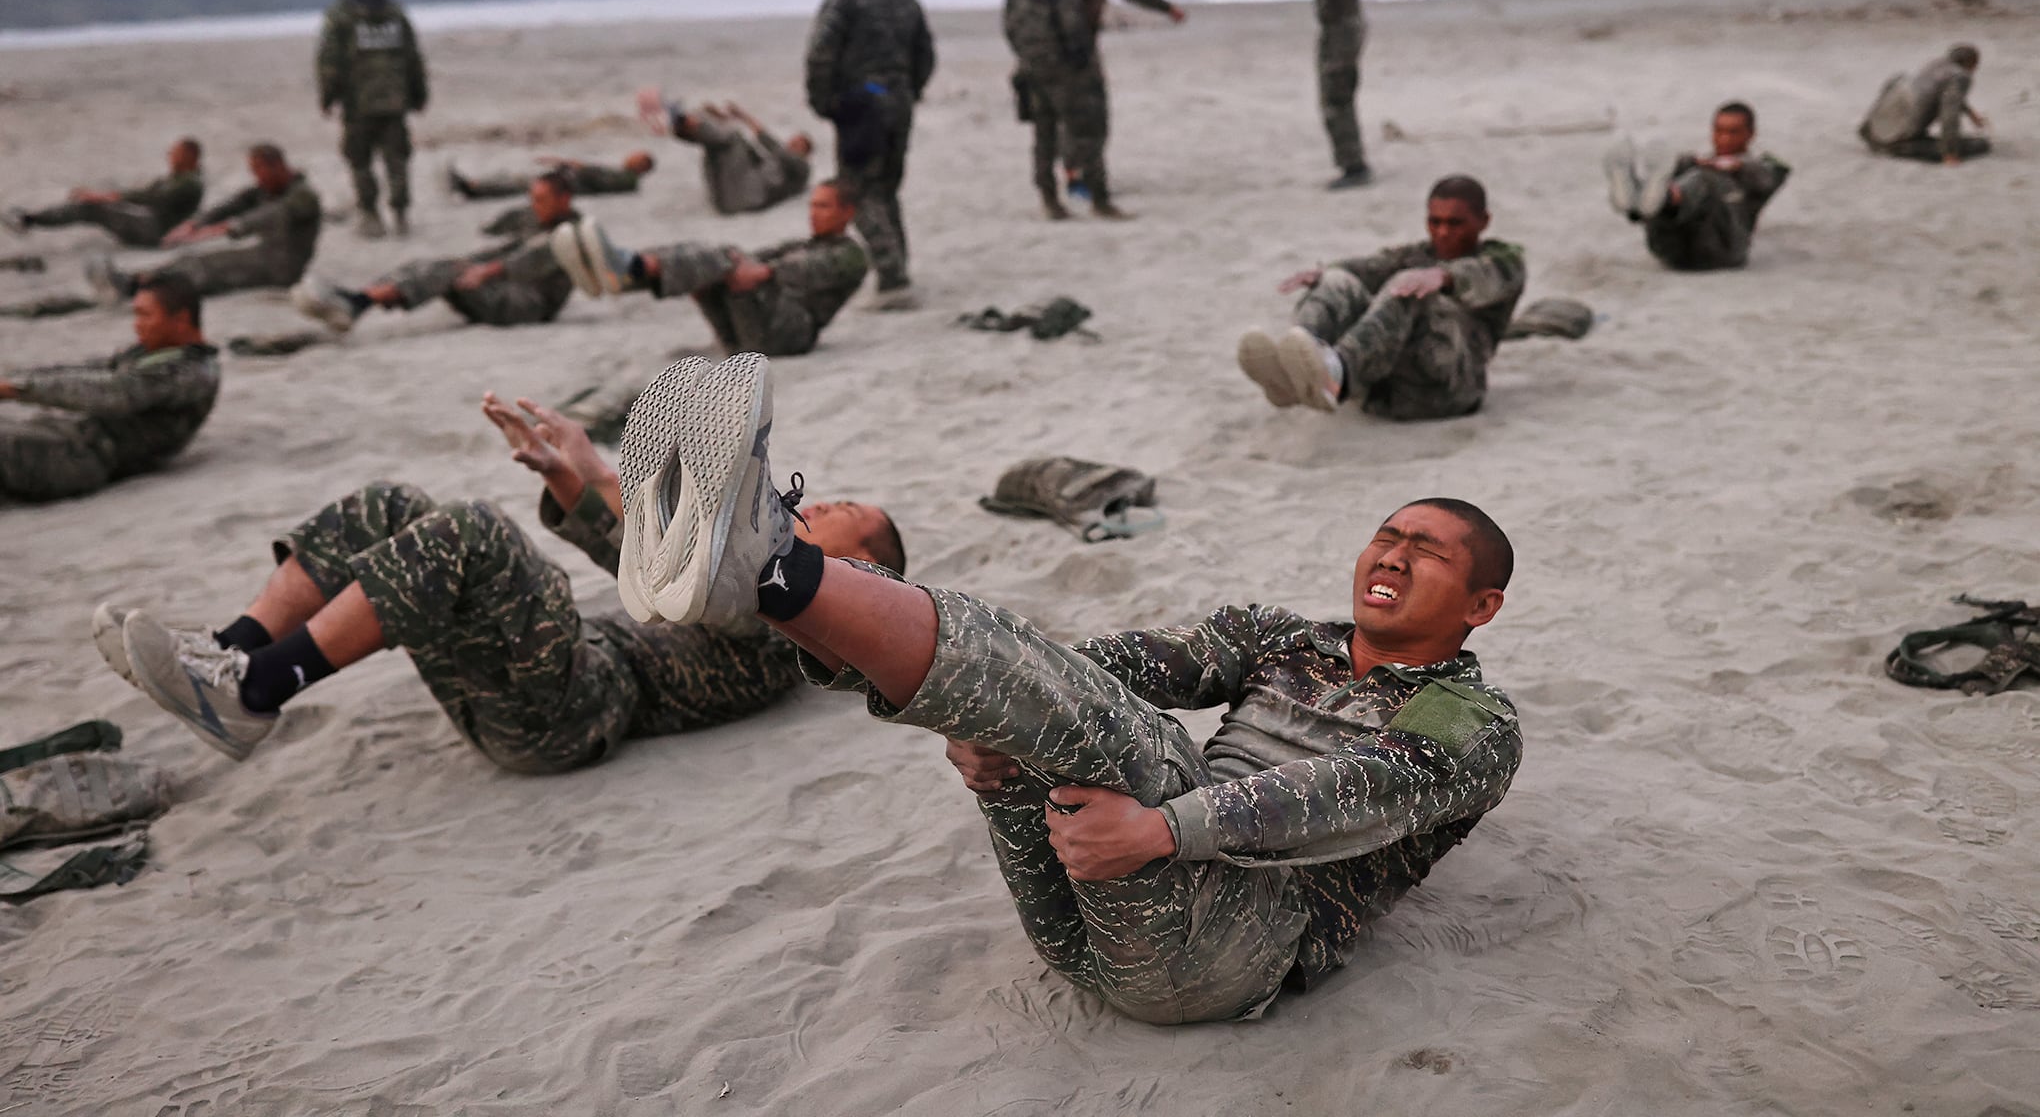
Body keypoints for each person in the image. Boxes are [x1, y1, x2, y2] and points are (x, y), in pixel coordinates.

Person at [601, 352, 1519, 1024]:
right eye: (1386, 537)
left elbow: (1358, 794)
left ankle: (775, 566)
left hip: (1230, 944)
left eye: (1425, 552)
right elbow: (1102, 667)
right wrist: (987, 718)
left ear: (1482, 604)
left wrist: (1166, 827)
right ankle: (760, 582)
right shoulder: (1278, 635)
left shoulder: (1472, 717)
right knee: (1047, 700)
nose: (1392, 555)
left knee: (1130, 741)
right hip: (1083, 905)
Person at [104, 394, 907, 771]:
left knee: (474, 532)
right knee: (395, 506)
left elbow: (689, 580)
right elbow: (648, 563)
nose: (825, 499)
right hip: (544, 684)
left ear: (863, 565)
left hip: (573, 711)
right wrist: (575, 475)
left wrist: (595, 473)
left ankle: (255, 692)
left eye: (844, 510)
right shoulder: (763, 579)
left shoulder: (799, 630)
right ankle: (226, 655)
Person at [1237, 175, 1524, 419]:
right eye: (1434, 222)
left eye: (1455, 223)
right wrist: (1323, 273)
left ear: (1483, 222)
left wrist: (1443, 277)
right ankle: (1297, 375)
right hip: (1383, 393)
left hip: (1447, 391)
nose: (1443, 232)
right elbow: (1370, 267)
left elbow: (1485, 276)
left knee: (1407, 285)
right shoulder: (1418, 255)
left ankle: (1337, 374)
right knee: (1336, 281)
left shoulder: (1503, 261)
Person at [553, 179, 869, 357]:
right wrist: (728, 263)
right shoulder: (804, 242)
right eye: (812, 205)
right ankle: (620, 271)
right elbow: (753, 257)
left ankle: (625, 271)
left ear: (847, 212)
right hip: (747, 333)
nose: (814, 213)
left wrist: (756, 270)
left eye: (823, 206)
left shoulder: (851, 254)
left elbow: (799, 269)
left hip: (786, 337)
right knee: (709, 256)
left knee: (719, 260)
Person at [804, 0, 936, 309]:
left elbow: (820, 52)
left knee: (858, 190)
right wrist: (910, 91)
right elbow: (925, 54)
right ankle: (898, 266)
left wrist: (822, 101)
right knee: (887, 189)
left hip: (861, 104)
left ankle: (893, 277)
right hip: (899, 103)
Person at [0, 273, 218, 503]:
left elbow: (115, 392)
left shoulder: (193, 373)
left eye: (145, 315)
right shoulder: (153, 353)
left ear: (181, 319)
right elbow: (87, 373)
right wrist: (14, 380)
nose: (137, 325)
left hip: (82, 457)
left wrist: (17, 389)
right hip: (66, 437)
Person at [290, 171, 580, 332]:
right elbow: (506, 249)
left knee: (449, 272)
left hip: (526, 308)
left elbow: (528, 259)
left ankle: (358, 303)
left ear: (564, 199)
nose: (535, 206)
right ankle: (361, 298)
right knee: (431, 265)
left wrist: (482, 272)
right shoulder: (540, 221)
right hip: (508, 293)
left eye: (541, 200)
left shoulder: (573, 233)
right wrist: (471, 263)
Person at [85, 143, 322, 303]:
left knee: (204, 270)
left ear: (278, 166)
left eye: (259, 171)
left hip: (282, 270)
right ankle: (135, 281)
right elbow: (233, 204)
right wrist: (195, 223)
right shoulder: (268, 188)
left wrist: (231, 227)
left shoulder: (303, 195)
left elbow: (270, 215)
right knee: (193, 262)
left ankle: (135, 289)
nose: (257, 178)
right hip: (264, 257)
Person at [1067, 0, 1185, 217]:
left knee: (1097, 115)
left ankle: (1090, 175)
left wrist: (1167, 7)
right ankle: (1073, 176)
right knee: (1073, 116)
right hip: (1067, 53)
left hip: (1089, 51)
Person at [1004, 0, 1112, 221]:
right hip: (1064, 65)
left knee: (1043, 133)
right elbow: (1071, 20)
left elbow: (1009, 24)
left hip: (1031, 64)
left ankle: (1049, 199)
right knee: (1087, 129)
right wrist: (1081, 58)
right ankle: (1099, 199)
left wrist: (1026, 54)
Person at [1603, 102, 1792, 271]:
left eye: (1733, 132)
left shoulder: (1761, 168)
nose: (1724, 139)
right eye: (1719, 131)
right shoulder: (1698, 164)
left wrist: (1736, 167)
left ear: (1751, 134)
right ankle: (1642, 199)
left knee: (1703, 179)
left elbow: (1769, 177)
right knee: (1678, 169)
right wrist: (1692, 161)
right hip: (1672, 251)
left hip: (1722, 251)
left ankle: (1663, 199)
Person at [318, 0, 428, 238]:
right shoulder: (393, 11)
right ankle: (401, 214)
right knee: (397, 158)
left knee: (359, 159)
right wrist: (419, 93)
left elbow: (330, 60)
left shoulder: (341, 14)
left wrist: (328, 96)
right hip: (394, 100)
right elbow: (412, 56)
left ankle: (370, 215)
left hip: (359, 103)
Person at [1287, 0, 1371, 190]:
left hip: (1342, 28)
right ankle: (1350, 162)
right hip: (1335, 27)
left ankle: (1354, 165)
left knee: (1337, 96)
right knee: (1333, 96)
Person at [4, 138, 205, 248]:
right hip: (151, 225)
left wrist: (101, 197)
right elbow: (143, 193)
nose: (169, 156)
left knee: (92, 208)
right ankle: (31, 219)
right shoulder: (177, 178)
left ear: (189, 156)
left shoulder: (190, 183)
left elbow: (149, 198)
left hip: (156, 232)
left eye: (175, 153)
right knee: (94, 206)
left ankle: (29, 220)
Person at [637, 91, 814, 216]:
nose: (791, 143)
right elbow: (749, 152)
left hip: (746, 200)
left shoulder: (802, 168)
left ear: (807, 153)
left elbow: (769, 142)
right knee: (720, 144)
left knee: (731, 139)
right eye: (792, 140)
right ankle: (677, 124)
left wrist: (743, 116)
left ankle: (680, 119)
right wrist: (719, 120)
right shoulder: (776, 166)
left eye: (798, 144)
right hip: (732, 198)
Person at [1859, 44, 1991, 164]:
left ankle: (1873, 134)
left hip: (1874, 135)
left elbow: (1946, 95)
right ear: (1972, 63)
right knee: (1980, 144)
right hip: (1896, 141)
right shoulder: (1961, 76)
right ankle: (1899, 146)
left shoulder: (1935, 65)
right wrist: (1950, 153)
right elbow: (1949, 114)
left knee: (1899, 80)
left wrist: (1971, 114)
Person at [450, 153, 657, 201]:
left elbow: (597, 178)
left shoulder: (627, 179)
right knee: (516, 180)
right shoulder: (625, 177)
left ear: (641, 166)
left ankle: (473, 188)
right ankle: (474, 186)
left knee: (520, 184)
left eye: (635, 157)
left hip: (571, 185)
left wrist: (571, 164)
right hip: (570, 181)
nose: (629, 157)